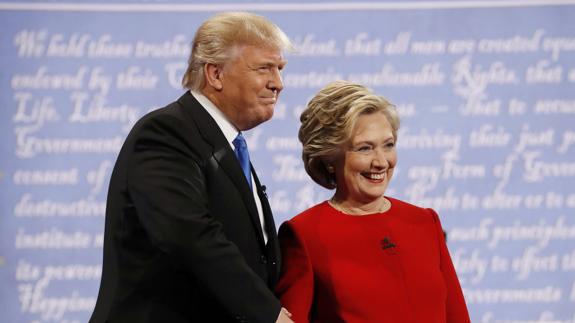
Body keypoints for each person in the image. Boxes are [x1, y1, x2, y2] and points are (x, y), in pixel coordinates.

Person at [90, 12, 294, 323]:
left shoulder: (225, 142)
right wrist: (269, 314)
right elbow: (188, 236)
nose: (277, 83)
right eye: (264, 68)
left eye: (279, 69)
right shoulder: (166, 133)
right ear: (215, 74)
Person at [275, 80, 471, 323]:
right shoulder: (304, 235)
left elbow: (457, 317)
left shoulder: (424, 222)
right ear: (329, 157)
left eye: (388, 145)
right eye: (365, 148)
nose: (381, 162)